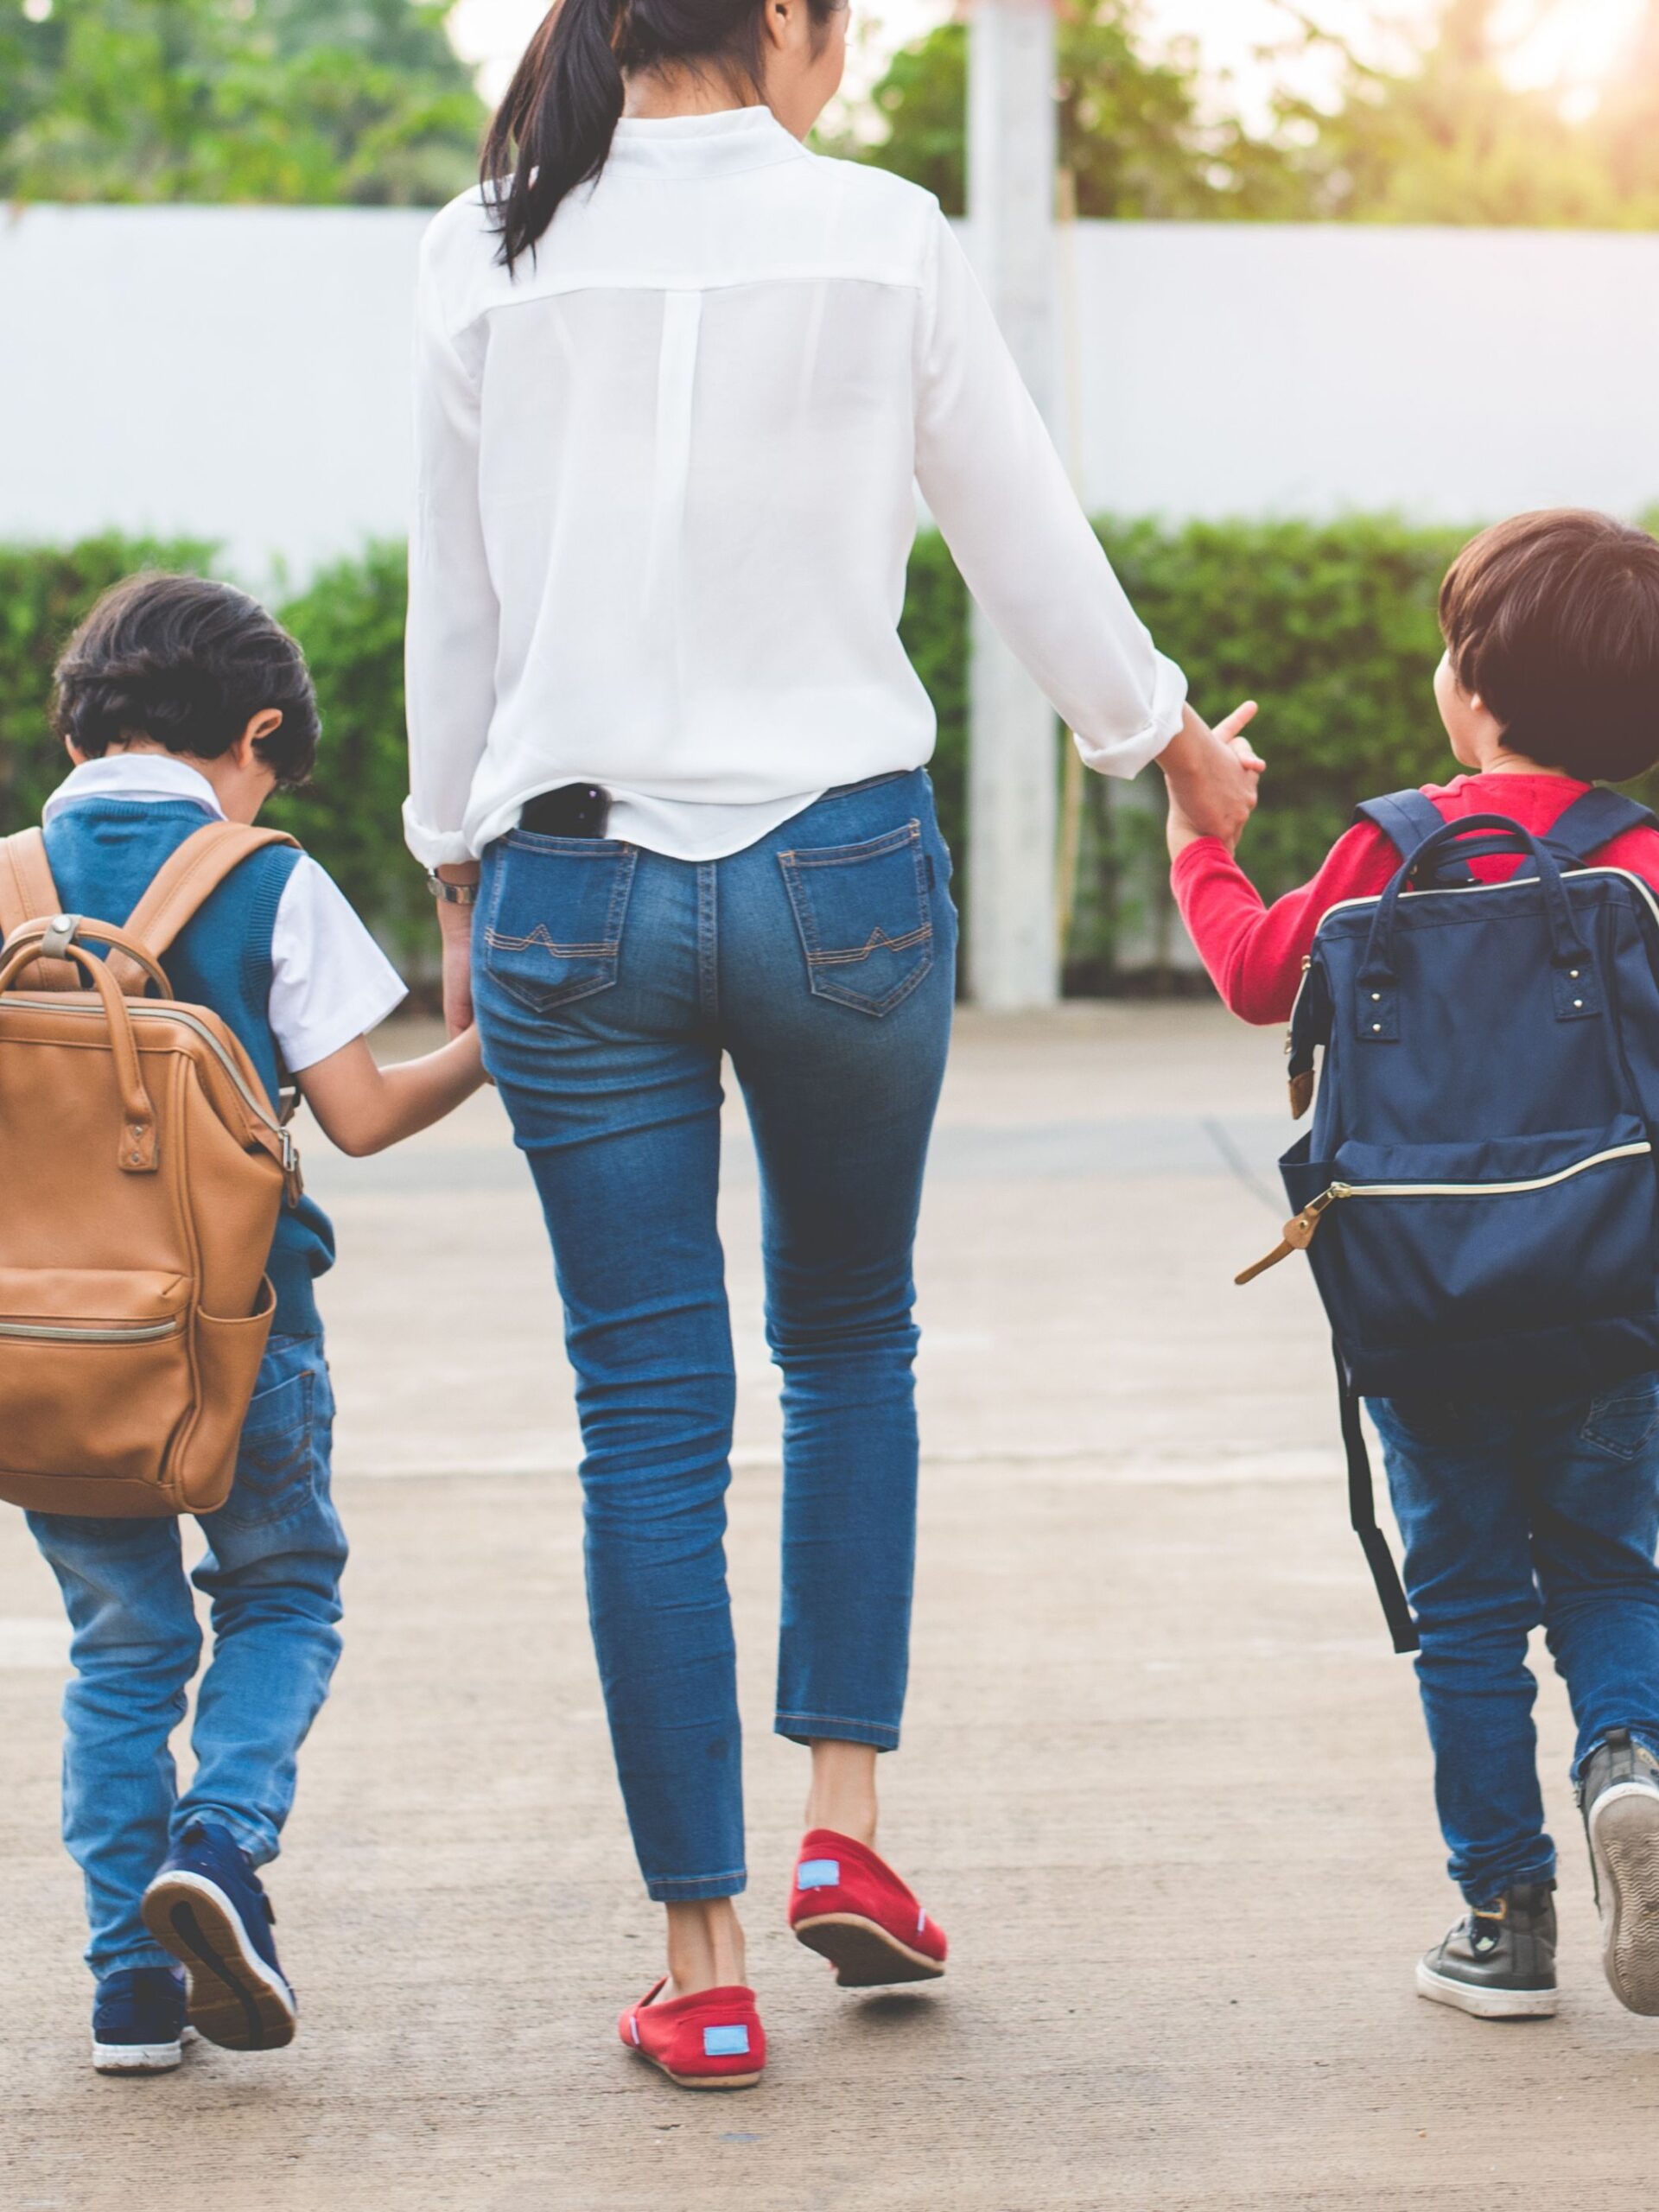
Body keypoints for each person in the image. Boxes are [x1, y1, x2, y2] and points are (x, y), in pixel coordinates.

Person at [404, 0, 1259, 2089]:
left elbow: (462, 605)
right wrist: (1168, 748)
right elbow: (1024, 536)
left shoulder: (487, 242)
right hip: (844, 878)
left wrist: (450, 860)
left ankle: (698, 1963)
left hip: (574, 884)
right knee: (851, 1338)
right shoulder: (888, 236)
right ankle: (844, 1833)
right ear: (783, 22)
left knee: (643, 1411)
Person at [1170, 509, 1659, 2021]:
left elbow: (1262, 976)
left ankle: (1502, 1926)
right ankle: (1629, 1769)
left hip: (1422, 1304)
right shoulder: (1640, 863)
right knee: (1611, 1568)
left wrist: (1205, 845)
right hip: (1611, 1294)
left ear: (1475, 693)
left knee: (1462, 1607)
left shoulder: (1390, 844)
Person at [28, 574, 486, 2075]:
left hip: (40, 1356)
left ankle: (128, 1999)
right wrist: (485, 1033)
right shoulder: (268, 876)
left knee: (119, 1650)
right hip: (240, 1334)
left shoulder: (10, 879)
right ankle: (220, 1847)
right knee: (282, 1593)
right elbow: (361, 1116)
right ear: (258, 735)